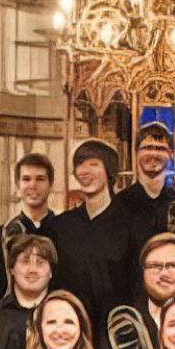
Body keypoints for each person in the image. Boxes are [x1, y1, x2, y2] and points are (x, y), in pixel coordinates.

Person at [52, 138, 140, 323]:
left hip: (115, 327)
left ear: (109, 171)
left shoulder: (132, 224)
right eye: (80, 164)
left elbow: (138, 284)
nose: (85, 171)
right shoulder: (61, 225)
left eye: (94, 164)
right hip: (69, 326)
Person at [0, 152, 60, 299]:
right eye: (26, 179)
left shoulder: (66, 232)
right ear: (17, 186)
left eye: (40, 179)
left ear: (51, 185)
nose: (33, 185)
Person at [112, 122, 175, 240]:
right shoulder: (118, 205)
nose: (154, 154)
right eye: (148, 148)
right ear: (136, 152)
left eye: (160, 149)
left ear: (171, 155)